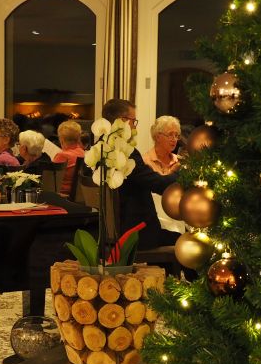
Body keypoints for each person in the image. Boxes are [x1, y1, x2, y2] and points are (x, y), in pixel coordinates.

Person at [102, 99, 179, 250]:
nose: (134, 126)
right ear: (122, 121)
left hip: (114, 232)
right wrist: (183, 174)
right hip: (138, 234)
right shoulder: (126, 153)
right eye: (133, 121)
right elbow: (159, 185)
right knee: (189, 241)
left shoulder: (102, 149)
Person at [52, 120, 85, 196]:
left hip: (62, 196)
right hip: (79, 197)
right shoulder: (83, 153)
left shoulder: (61, 156)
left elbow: (52, 182)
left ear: (61, 139)